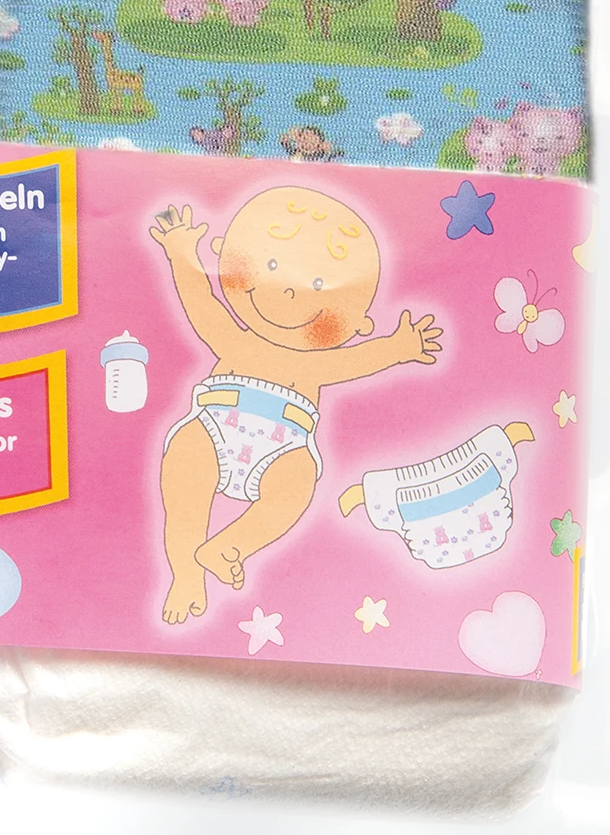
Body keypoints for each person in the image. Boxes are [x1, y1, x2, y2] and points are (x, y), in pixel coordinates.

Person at [151, 187, 442, 625]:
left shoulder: (316, 364)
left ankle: (228, 546)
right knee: (185, 480)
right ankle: (186, 574)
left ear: (359, 323)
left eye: (319, 285)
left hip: (283, 446)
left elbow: (359, 360)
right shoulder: (234, 340)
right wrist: (180, 254)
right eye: (271, 266)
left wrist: (399, 348)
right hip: (214, 426)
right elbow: (201, 302)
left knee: (296, 482)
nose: (288, 291)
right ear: (225, 255)